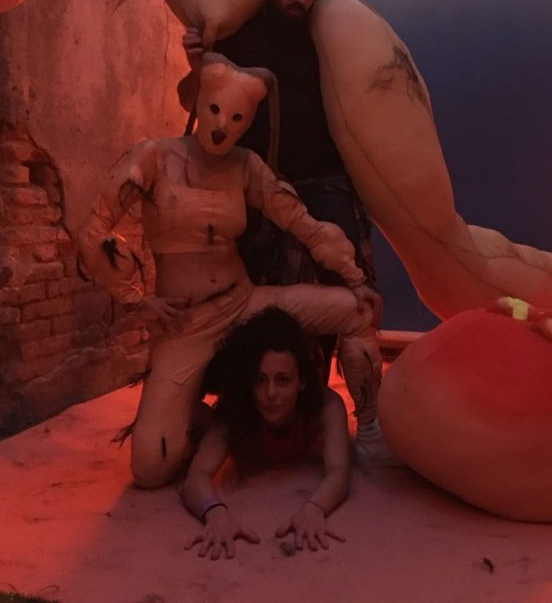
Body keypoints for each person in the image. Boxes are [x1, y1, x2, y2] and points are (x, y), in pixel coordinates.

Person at [78, 53, 389, 490]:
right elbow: (94, 232)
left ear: (248, 123)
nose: (223, 125)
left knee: (357, 310)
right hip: (184, 324)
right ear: (199, 103)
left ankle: (370, 425)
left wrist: (356, 279)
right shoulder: (152, 157)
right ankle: (219, 421)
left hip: (244, 302)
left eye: (237, 117)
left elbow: (302, 223)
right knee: (150, 469)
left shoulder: (245, 166)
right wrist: (137, 300)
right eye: (215, 109)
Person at [178, 0, 382, 375]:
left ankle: (321, 395)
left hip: (325, 182)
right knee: (259, 300)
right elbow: (190, 101)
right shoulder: (235, 40)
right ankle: (261, 396)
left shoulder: (324, 41)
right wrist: (198, 66)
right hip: (258, 188)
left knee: (351, 294)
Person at [181, 307, 351, 559]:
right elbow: (197, 475)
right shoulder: (234, 411)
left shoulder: (326, 406)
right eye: (260, 380)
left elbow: (339, 470)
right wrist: (215, 513)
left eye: (283, 380)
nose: (271, 393)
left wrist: (314, 508)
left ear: (302, 382)